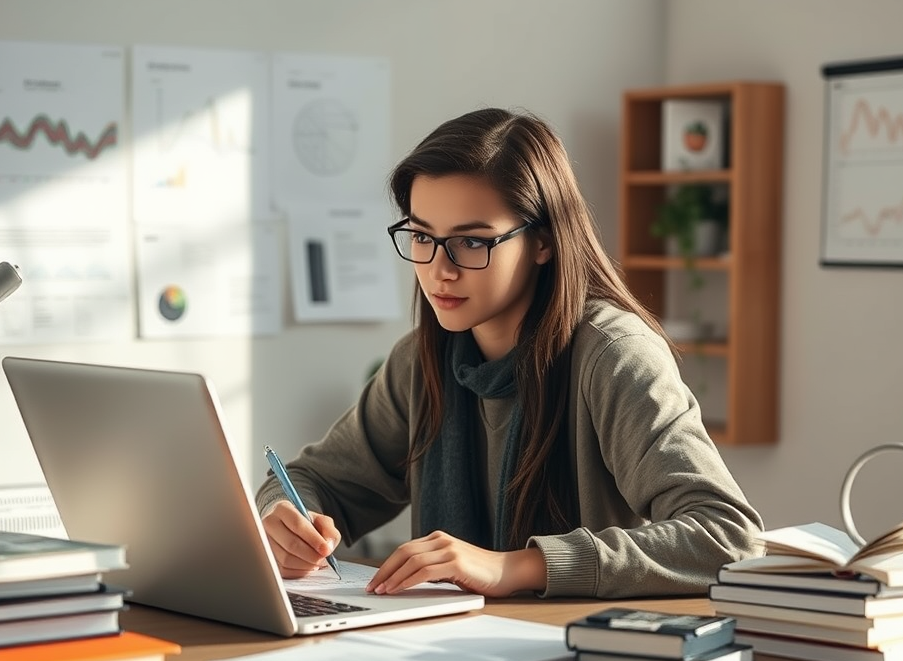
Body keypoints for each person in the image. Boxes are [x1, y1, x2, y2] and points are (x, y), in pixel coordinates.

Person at [256, 107, 763, 599]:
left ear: (543, 241)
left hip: (578, 660)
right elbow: (310, 481)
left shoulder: (614, 356)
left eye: (472, 243)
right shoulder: (421, 361)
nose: (439, 270)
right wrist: (284, 520)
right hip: (446, 650)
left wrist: (514, 567)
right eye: (421, 236)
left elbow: (728, 538)